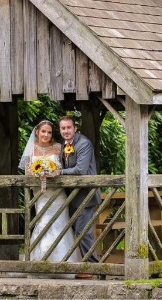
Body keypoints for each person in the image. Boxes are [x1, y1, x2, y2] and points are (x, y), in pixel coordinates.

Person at [18, 120, 80, 278]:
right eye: (43, 131)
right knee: (43, 224)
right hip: (41, 195)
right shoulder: (31, 149)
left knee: (60, 225)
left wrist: (53, 173)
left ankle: (63, 264)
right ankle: (41, 263)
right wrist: (38, 174)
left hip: (57, 194)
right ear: (37, 132)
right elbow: (27, 172)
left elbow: (63, 168)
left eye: (49, 132)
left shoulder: (59, 147)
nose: (46, 135)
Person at [59, 115, 101, 279]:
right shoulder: (62, 145)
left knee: (83, 232)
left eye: (69, 127)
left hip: (86, 195)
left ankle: (93, 267)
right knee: (77, 232)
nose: (66, 131)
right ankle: (85, 265)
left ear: (75, 128)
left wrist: (59, 172)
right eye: (63, 128)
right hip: (72, 196)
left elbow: (80, 170)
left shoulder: (84, 144)